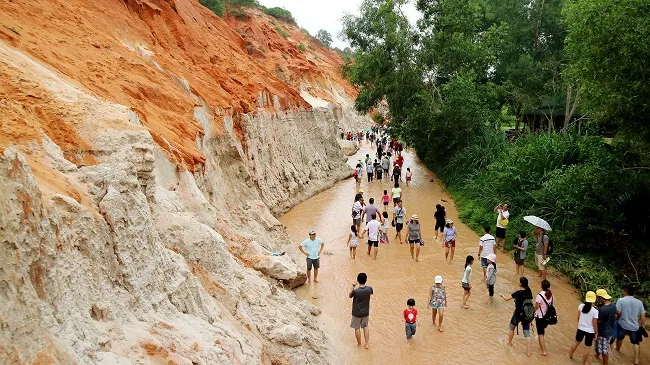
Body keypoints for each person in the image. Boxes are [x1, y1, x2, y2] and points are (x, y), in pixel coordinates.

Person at [501, 277, 534, 357]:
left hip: (518, 314)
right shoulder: (529, 292)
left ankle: (509, 343)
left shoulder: (518, 293)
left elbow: (506, 299)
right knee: (527, 333)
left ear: (520, 284)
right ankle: (529, 352)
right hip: (527, 315)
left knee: (511, 328)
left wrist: (501, 295)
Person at [615, 285, 646, 365]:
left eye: (623, 291)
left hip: (623, 324)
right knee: (636, 342)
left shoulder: (621, 300)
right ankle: (636, 360)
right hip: (634, 326)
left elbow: (618, 312)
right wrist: (642, 326)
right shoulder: (639, 302)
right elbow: (643, 315)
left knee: (620, 338)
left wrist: (617, 318)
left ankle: (617, 350)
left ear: (625, 292)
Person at [569, 291, 599, 365]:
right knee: (587, 347)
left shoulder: (581, 306)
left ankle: (569, 355)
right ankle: (583, 362)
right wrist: (596, 333)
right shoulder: (595, 311)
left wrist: (580, 325)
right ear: (594, 300)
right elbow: (594, 324)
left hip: (580, 328)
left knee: (576, 342)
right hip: (590, 331)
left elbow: (578, 317)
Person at [349, 273, 373, 349]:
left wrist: (353, 286)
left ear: (358, 281)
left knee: (357, 328)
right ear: (366, 280)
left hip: (356, 313)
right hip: (366, 312)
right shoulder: (369, 289)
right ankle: (366, 344)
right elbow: (371, 293)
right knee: (365, 326)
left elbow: (350, 295)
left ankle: (359, 344)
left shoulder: (356, 291)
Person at [595, 289, 616, 365]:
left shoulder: (603, 309)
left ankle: (605, 363)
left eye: (598, 298)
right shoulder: (613, 306)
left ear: (601, 298)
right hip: (610, 330)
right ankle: (597, 356)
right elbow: (616, 314)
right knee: (602, 347)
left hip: (603, 332)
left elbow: (599, 321)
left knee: (604, 350)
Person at [534, 280, 553, 356]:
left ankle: (544, 351)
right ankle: (540, 344)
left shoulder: (539, 296)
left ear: (541, 285)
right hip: (547, 317)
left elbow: (537, 306)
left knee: (540, 333)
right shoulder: (551, 295)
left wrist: (533, 312)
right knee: (542, 331)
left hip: (540, 317)